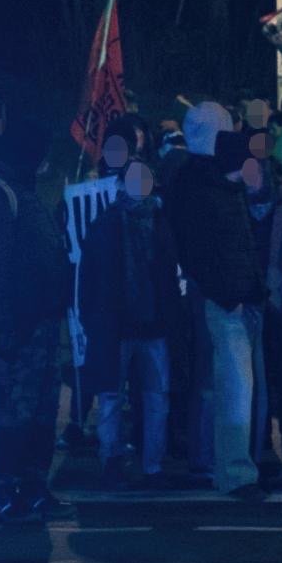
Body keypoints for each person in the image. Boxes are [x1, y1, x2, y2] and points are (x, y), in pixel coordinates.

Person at [0, 119, 74, 525]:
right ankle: (6, 492)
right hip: (15, 329)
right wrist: (6, 329)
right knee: (10, 412)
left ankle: (34, 487)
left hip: (39, 325)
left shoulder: (21, 190)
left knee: (41, 412)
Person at [165, 102, 271, 500]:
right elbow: (201, 249)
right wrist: (227, 295)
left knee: (239, 389)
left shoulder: (209, 179)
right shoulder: (196, 183)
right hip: (226, 300)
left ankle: (237, 464)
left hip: (241, 295)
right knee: (233, 390)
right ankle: (234, 473)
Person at [76, 158, 181, 489]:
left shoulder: (161, 221)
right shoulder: (106, 225)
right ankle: (112, 461)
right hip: (117, 324)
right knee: (112, 396)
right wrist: (92, 320)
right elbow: (89, 278)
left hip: (153, 324)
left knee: (156, 397)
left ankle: (152, 466)